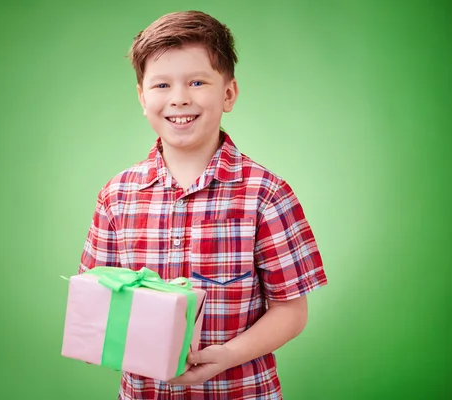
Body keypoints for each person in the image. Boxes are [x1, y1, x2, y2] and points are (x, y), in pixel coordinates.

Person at [78, 10, 328, 400]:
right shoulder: (116, 195)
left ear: (227, 94)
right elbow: (97, 296)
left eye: (197, 82)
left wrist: (229, 354)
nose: (179, 98)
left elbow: (292, 311)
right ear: (143, 98)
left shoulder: (266, 194)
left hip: (242, 390)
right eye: (162, 85)